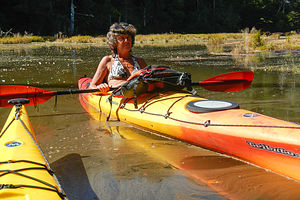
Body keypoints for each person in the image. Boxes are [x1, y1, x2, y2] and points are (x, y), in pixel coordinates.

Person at [89, 22, 147, 93]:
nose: (126, 41)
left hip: (138, 96)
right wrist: (100, 87)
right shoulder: (108, 61)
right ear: (114, 42)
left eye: (128, 38)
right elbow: (92, 86)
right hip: (116, 97)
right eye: (122, 38)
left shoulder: (140, 61)